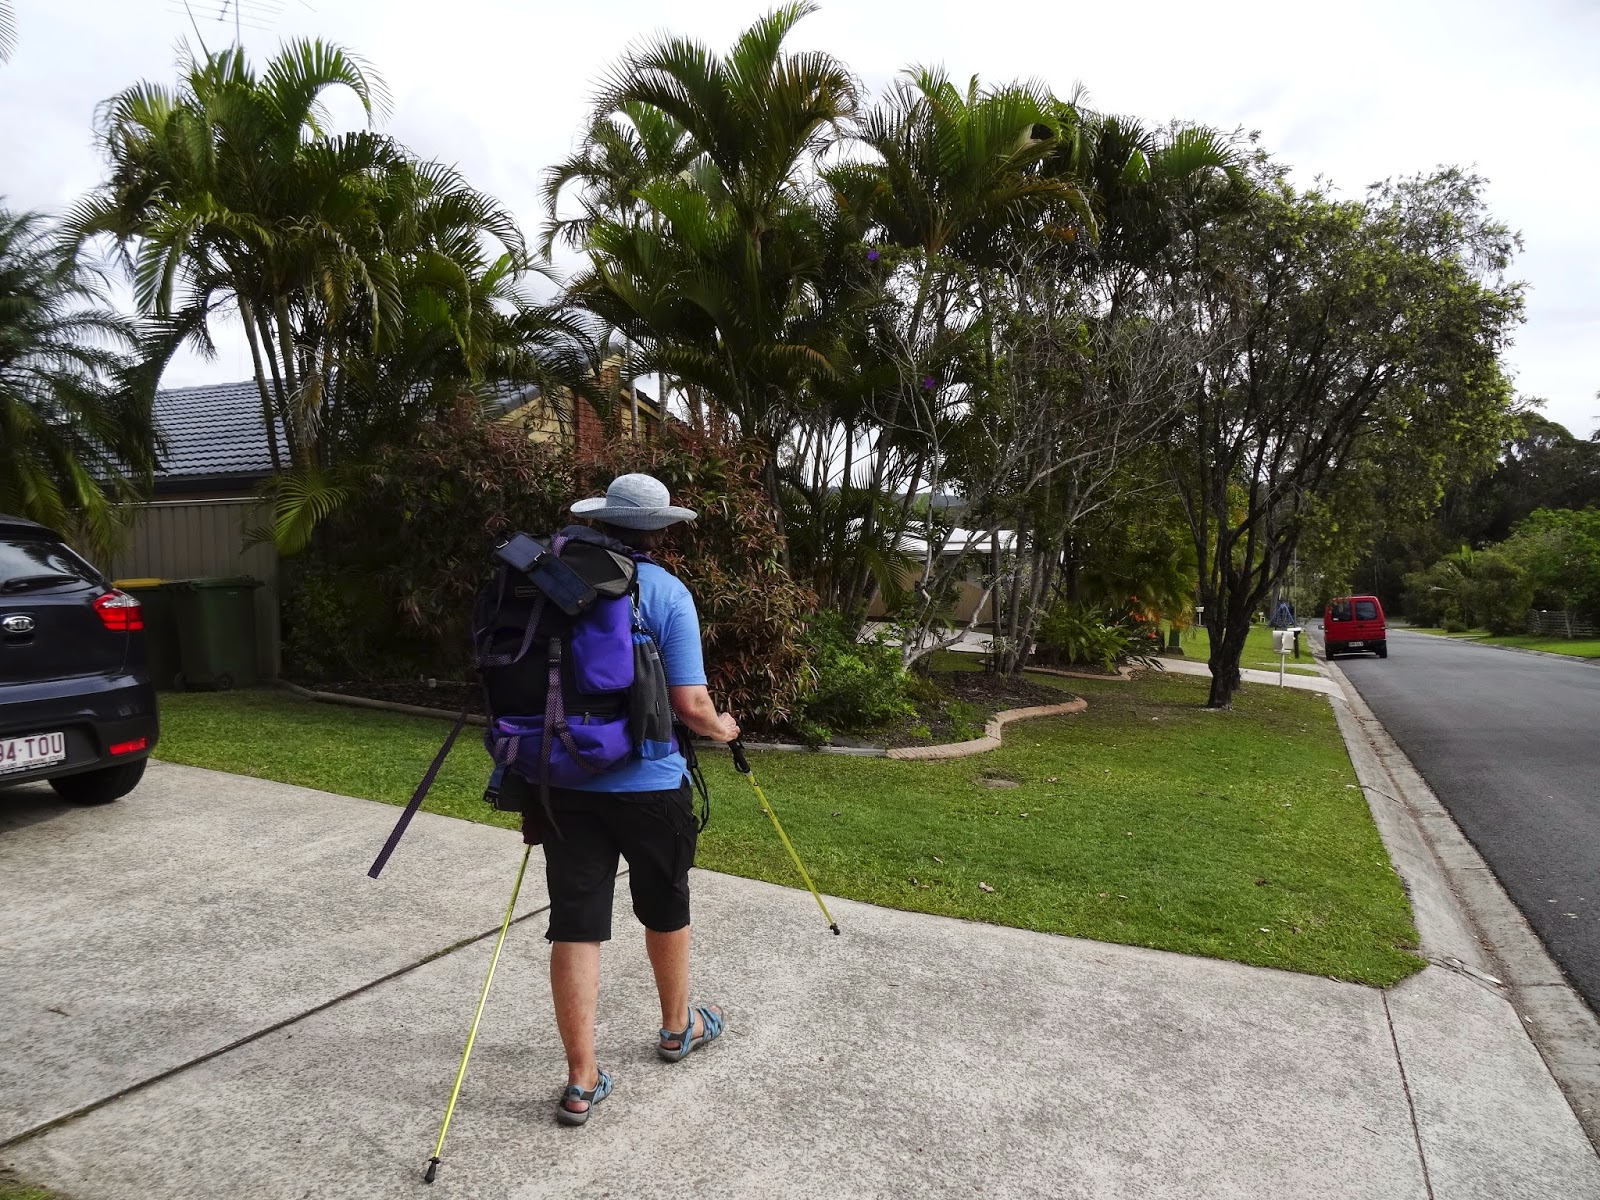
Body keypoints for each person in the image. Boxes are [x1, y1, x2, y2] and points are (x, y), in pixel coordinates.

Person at [535, 473, 740, 1127]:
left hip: (562, 780)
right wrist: (724, 730)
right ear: (660, 532)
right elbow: (692, 704)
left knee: (575, 924)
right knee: (665, 904)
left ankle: (581, 1080)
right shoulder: (667, 591)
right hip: (649, 783)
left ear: (598, 522)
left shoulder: (549, 583)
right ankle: (678, 1028)